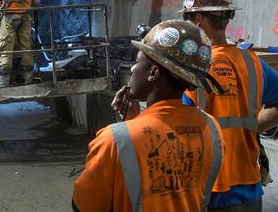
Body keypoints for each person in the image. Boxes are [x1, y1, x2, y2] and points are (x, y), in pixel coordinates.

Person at [73, 20, 225, 211]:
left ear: (153, 73)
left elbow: (83, 206)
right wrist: (131, 122)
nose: (132, 69)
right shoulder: (212, 129)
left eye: (137, 62)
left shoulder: (114, 140)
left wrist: (127, 128)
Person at [180, 0, 278, 211]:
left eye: (188, 17)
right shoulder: (252, 61)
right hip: (250, 188)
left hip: (210, 191)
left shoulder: (193, 66)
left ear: (198, 19)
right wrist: (252, 127)